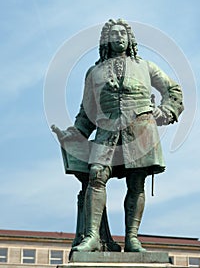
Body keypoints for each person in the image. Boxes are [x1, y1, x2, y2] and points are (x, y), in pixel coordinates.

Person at [71, 18, 184, 252]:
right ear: (106, 40)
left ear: (130, 38)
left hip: (140, 129)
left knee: (136, 182)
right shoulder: (94, 72)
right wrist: (75, 134)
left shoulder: (146, 66)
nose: (119, 37)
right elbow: (87, 111)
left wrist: (165, 112)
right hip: (107, 130)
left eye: (123, 33)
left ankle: (132, 238)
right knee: (96, 175)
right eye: (114, 34)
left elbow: (173, 90)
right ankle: (92, 236)